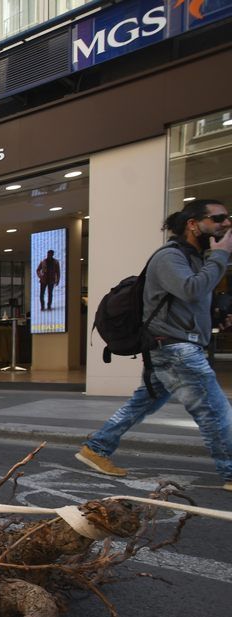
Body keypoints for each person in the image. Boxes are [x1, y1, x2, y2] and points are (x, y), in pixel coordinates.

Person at [77, 198, 232, 491]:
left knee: (141, 404)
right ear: (193, 224)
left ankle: (97, 448)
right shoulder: (169, 257)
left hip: (176, 346)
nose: (226, 223)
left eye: (227, 218)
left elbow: (191, 301)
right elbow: (190, 290)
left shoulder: (196, 258)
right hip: (175, 349)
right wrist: (221, 255)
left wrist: (215, 318)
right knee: (213, 409)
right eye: (218, 218)